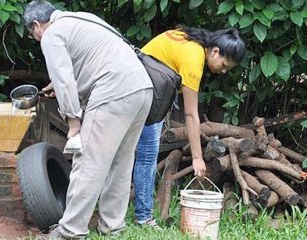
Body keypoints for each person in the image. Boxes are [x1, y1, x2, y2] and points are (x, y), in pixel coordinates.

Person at [23, 0, 153, 239]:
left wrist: (73, 122)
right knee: (120, 165)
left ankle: (70, 231)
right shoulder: (80, 19)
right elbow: (89, 62)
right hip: (142, 89)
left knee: (88, 163)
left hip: (113, 91)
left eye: (33, 35)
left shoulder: (51, 34)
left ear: (36, 25)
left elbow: (64, 80)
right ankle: (112, 227)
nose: (37, 38)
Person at [133, 27, 246, 227]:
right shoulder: (193, 58)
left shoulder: (188, 38)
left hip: (136, 86)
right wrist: (197, 158)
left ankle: (122, 215)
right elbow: (191, 115)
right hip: (142, 93)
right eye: (224, 64)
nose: (223, 71)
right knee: (147, 156)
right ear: (215, 51)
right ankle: (143, 217)